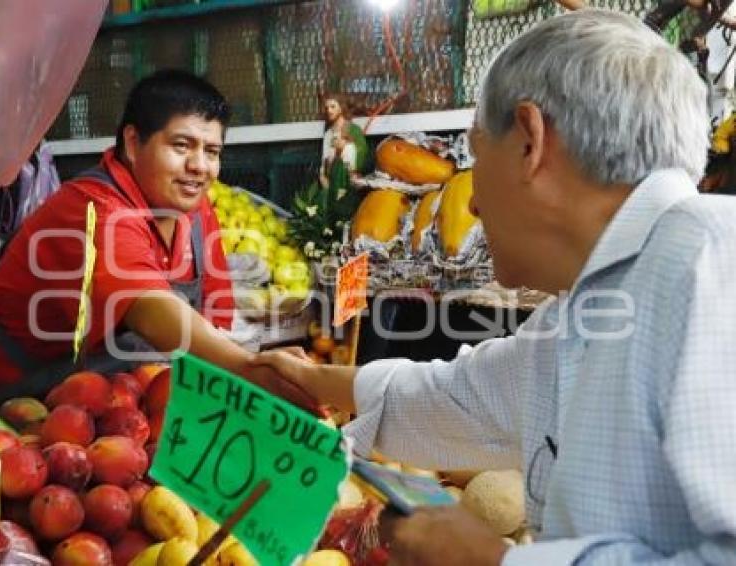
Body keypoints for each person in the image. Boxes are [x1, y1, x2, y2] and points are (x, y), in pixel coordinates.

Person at [254, 10, 736, 565]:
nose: (474, 202)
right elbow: (459, 398)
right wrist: (312, 380)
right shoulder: (593, 305)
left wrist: (493, 561)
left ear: (530, 141)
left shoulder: (710, 263)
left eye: (479, 158)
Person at [0, 69, 312, 410]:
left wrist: (250, 373)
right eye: (182, 145)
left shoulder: (198, 214)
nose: (200, 166)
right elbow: (151, 309)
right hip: (7, 406)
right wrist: (250, 367)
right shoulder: (93, 209)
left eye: (212, 151)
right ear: (133, 142)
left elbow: (214, 320)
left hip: (106, 404)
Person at [319, 95, 368, 190]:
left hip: (349, 180)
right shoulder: (328, 134)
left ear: (341, 109)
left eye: (333, 107)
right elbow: (324, 157)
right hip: (331, 182)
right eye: (326, 108)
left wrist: (346, 146)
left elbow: (363, 152)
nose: (329, 111)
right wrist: (322, 175)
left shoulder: (353, 129)